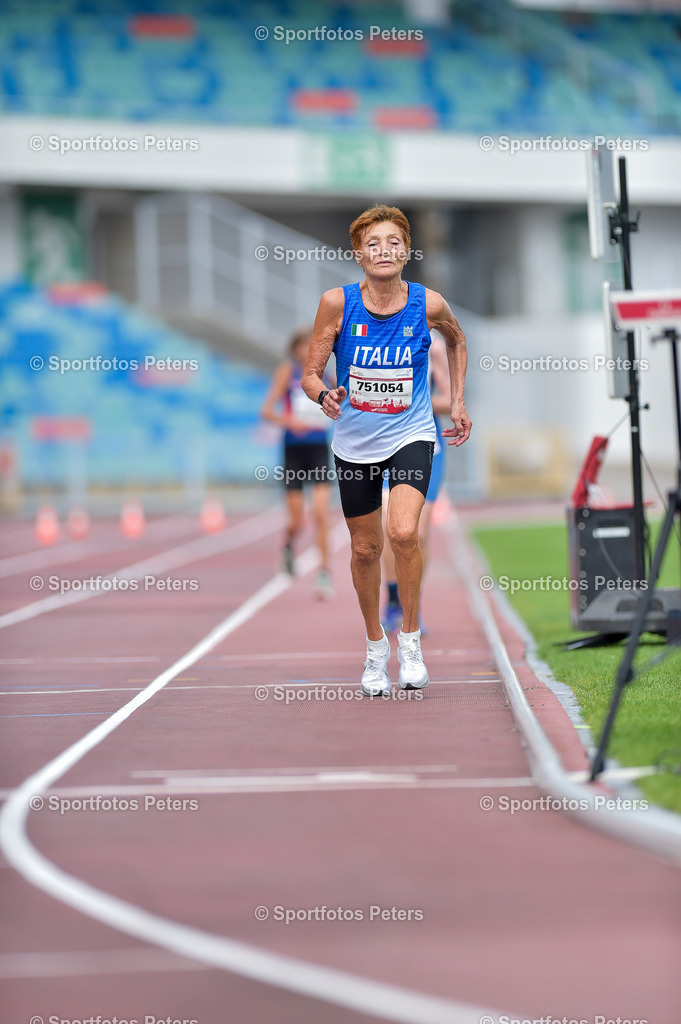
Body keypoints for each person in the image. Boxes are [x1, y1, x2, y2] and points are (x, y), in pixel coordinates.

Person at [301, 204, 471, 695]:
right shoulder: (336, 303)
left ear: (407, 250)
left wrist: (457, 401)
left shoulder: (428, 304)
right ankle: (376, 648)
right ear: (358, 255)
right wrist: (323, 394)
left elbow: (458, 342)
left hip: (412, 435)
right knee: (364, 548)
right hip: (354, 444)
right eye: (373, 244)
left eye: (394, 242)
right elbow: (311, 373)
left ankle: (411, 642)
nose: (384, 250)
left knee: (402, 533)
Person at [381, 330, 451, 636]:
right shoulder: (376, 343)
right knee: (388, 527)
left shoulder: (432, 346)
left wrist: (410, 399)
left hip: (425, 445)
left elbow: (449, 401)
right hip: (383, 445)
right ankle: (394, 598)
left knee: (417, 531)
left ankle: (413, 603)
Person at [261, 326, 333, 600]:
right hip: (293, 451)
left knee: (321, 513)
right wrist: (291, 422)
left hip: (318, 449)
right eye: (302, 347)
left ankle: (325, 573)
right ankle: (289, 544)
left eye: (311, 346)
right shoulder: (286, 373)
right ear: (294, 350)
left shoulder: (326, 376)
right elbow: (267, 411)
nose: (307, 351)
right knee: (298, 522)